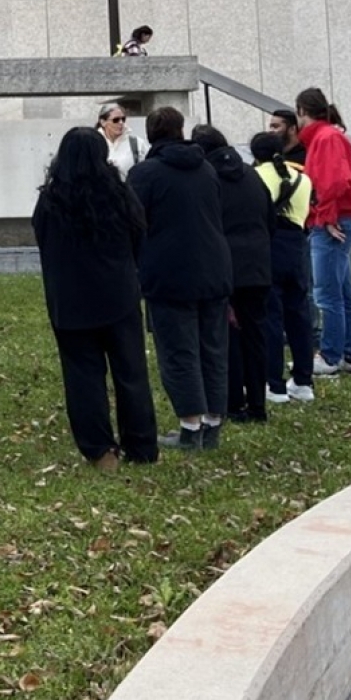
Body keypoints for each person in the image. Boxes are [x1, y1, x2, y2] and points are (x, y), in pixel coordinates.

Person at [33, 127, 158, 469]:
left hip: (70, 298)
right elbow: (138, 237)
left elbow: (43, 242)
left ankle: (100, 450)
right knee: (131, 371)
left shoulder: (51, 199)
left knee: (82, 376)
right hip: (117, 293)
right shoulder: (118, 193)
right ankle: (142, 446)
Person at [126, 106, 233, 452]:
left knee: (178, 350)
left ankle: (190, 427)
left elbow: (134, 222)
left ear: (152, 134)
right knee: (213, 348)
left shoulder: (145, 174)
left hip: (169, 271)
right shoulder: (207, 169)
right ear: (180, 130)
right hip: (214, 267)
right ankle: (213, 425)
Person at [191, 125, 274, 424]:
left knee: (227, 335)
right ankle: (258, 404)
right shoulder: (253, 176)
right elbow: (270, 219)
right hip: (259, 265)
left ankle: (233, 403)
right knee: (256, 334)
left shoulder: (208, 179)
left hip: (225, 266)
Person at [296, 87, 351, 377]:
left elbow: (333, 181)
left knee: (327, 293)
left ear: (302, 111)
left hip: (331, 223)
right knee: (342, 292)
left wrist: (326, 217)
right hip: (339, 219)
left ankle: (330, 355)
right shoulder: (330, 136)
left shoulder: (325, 139)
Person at [250, 131, 317, 405]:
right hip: (298, 245)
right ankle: (303, 381)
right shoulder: (303, 177)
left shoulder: (256, 177)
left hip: (271, 245)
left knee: (272, 317)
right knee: (299, 316)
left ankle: (274, 384)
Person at [95, 102, 143, 180]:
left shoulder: (137, 143)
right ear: (103, 122)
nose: (121, 123)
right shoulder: (94, 144)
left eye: (123, 119)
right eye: (116, 120)